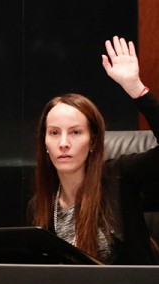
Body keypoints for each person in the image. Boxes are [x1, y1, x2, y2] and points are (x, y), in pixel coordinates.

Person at [29, 36, 159, 264]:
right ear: (44, 144)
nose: (63, 143)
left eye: (75, 132)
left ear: (93, 141)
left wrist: (137, 90)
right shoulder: (39, 205)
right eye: (54, 133)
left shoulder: (119, 176)